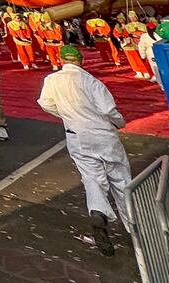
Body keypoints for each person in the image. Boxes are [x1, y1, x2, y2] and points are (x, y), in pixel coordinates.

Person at [36, 44, 131, 255]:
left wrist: (66, 115)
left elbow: (44, 103)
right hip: (103, 134)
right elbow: (109, 110)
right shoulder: (91, 82)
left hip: (76, 135)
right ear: (81, 61)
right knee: (120, 178)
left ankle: (98, 211)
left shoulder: (52, 80)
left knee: (91, 177)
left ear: (61, 60)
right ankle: (135, 226)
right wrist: (120, 123)